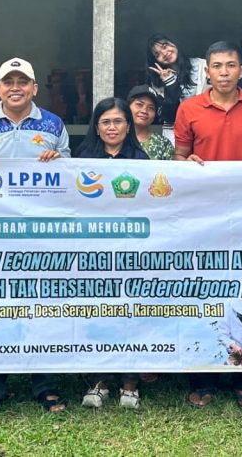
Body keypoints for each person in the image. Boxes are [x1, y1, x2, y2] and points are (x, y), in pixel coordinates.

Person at [174, 41, 242, 411]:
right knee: (205, 293)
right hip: (203, 217)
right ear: (208, 72)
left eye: (231, 65)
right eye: (217, 65)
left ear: (241, 70)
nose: (224, 71)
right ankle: (202, 378)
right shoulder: (189, 108)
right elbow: (179, 159)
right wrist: (187, 164)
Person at [0, 57, 69, 413]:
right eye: (8, 81)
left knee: (42, 306)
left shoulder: (53, 124)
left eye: (22, 81)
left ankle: (45, 383)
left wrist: (59, 161)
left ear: (34, 88)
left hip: (41, 234)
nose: (15, 87)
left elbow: (71, 172)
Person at [76, 98, 148, 410]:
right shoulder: (82, 159)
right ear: (97, 126)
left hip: (132, 250)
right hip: (93, 251)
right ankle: (98, 381)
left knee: (130, 314)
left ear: (128, 126)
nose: (111, 127)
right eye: (105, 122)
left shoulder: (141, 159)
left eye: (118, 121)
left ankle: (130, 384)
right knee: (97, 314)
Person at [145, 33, 207, 142]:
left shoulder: (203, 66)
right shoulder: (158, 82)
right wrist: (169, 82)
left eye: (165, 46)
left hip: (206, 126)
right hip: (177, 133)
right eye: (157, 54)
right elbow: (169, 115)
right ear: (156, 61)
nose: (164, 53)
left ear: (175, 43)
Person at [127, 85, 174, 160]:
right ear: (127, 107)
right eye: (139, 104)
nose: (144, 111)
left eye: (151, 108)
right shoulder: (115, 139)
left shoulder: (163, 144)